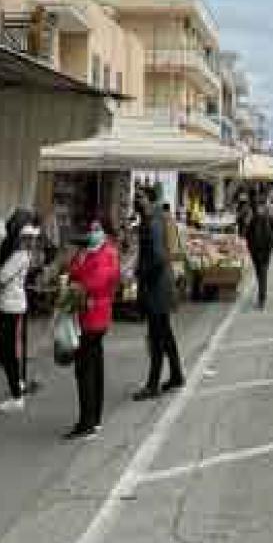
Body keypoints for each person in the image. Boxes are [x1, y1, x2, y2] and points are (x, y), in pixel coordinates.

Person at [65, 220, 121, 440]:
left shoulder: (107, 253)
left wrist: (78, 281)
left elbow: (95, 282)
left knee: (85, 369)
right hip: (91, 316)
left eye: (97, 229)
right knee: (94, 366)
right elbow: (74, 272)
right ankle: (93, 418)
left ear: (105, 233)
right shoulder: (91, 251)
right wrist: (78, 260)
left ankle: (87, 421)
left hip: (94, 316)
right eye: (91, 229)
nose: (92, 233)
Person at [133, 187, 184, 401]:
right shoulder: (157, 218)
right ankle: (176, 374)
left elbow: (157, 256)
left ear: (150, 200)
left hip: (156, 288)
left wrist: (141, 272)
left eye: (140, 197)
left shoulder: (152, 221)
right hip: (162, 285)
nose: (136, 200)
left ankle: (153, 384)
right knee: (165, 333)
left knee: (156, 337)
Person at [0, 209, 32, 414]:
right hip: (7, 306)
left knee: (6, 351)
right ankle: (17, 385)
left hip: (13, 307)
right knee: (2, 349)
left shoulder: (20, 254)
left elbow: (1, 276)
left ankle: (17, 393)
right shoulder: (15, 250)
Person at [245, 193, 273, 308]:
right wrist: (272, 246)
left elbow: (247, 234)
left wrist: (250, 247)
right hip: (265, 249)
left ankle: (261, 297)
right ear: (265, 204)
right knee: (263, 272)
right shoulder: (270, 216)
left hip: (256, 250)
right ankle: (262, 297)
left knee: (260, 272)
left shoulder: (253, 217)